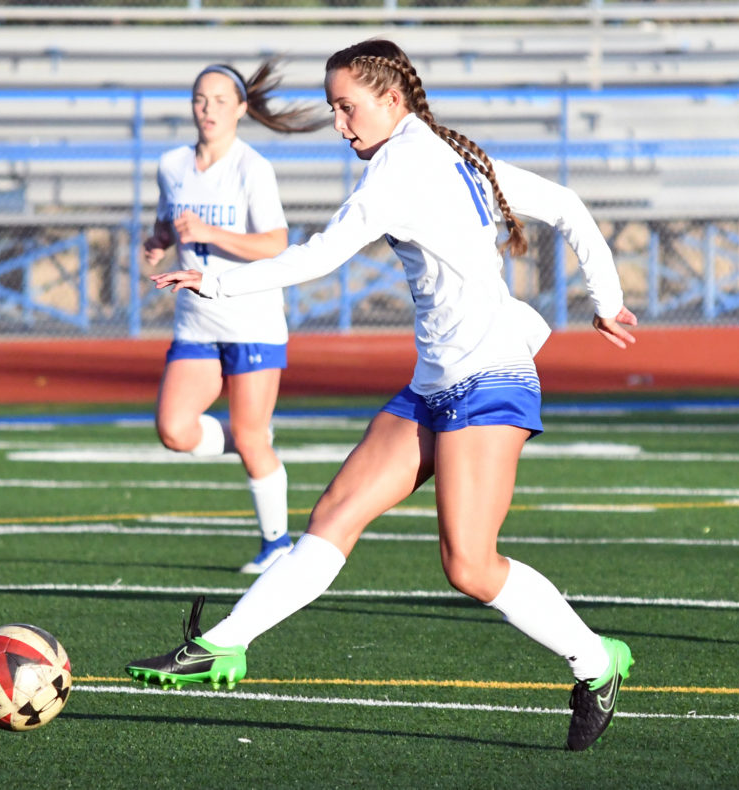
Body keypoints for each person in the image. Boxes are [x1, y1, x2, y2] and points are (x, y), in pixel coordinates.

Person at [128, 39, 639, 752]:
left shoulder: (402, 168)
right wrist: (604, 300)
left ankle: (596, 662)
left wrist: (214, 279)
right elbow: (569, 207)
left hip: (490, 379)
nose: (340, 124)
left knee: (469, 564)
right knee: (335, 513)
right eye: (334, 108)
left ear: (392, 101)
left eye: (348, 107)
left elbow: (318, 257)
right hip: (434, 383)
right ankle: (221, 646)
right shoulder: (446, 152)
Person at [144, 60, 325, 574]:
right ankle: (253, 438)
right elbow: (168, 219)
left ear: (242, 109)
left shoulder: (252, 168)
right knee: (175, 429)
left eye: (221, 101)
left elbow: (275, 243)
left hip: (252, 320)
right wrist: (160, 241)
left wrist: (212, 233)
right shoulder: (172, 164)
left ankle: (277, 546)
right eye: (201, 99)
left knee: (250, 437)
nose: (209, 109)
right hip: (195, 322)